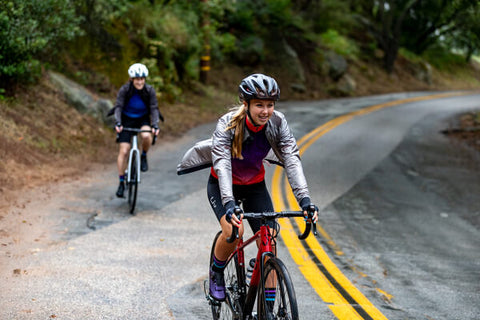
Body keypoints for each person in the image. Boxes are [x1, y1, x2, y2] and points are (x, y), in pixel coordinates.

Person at [176, 73, 318, 301]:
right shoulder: (228, 124)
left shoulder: (278, 123)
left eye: (270, 105)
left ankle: (269, 307)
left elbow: (291, 159)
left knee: (269, 239)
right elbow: (222, 164)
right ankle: (217, 271)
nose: (265, 111)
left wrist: (305, 201)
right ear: (246, 103)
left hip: (254, 185)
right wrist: (229, 203)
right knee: (235, 231)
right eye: (259, 105)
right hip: (223, 186)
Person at [113, 63, 163, 198]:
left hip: (143, 119)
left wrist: (155, 125)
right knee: (124, 151)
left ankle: (144, 156)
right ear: (132, 79)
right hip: (126, 119)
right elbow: (118, 107)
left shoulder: (149, 90)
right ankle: (121, 182)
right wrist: (118, 122)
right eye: (137, 79)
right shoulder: (125, 90)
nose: (139, 81)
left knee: (147, 136)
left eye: (142, 79)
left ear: (144, 79)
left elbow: (154, 108)